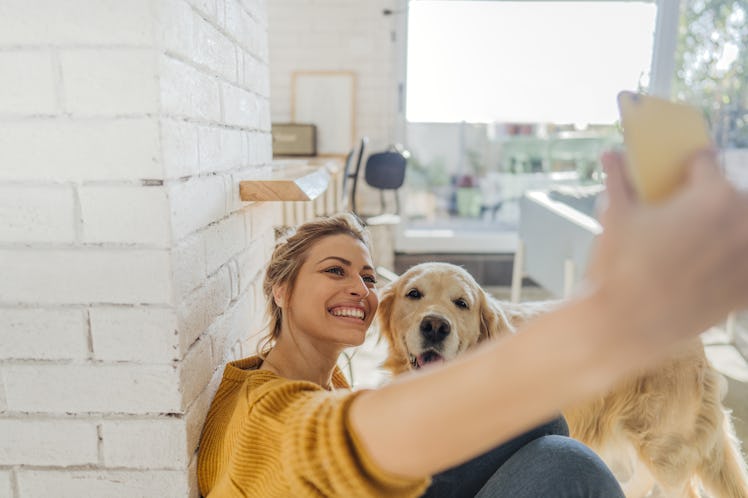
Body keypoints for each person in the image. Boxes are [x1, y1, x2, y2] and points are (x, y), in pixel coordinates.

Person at [197, 150, 748, 498]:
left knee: (543, 430)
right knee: (566, 464)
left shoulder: (321, 381)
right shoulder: (260, 413)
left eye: (368, 278)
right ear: (281, 287)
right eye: (334, 270)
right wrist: (608, 319)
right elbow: (348, 444)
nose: (358, 289)